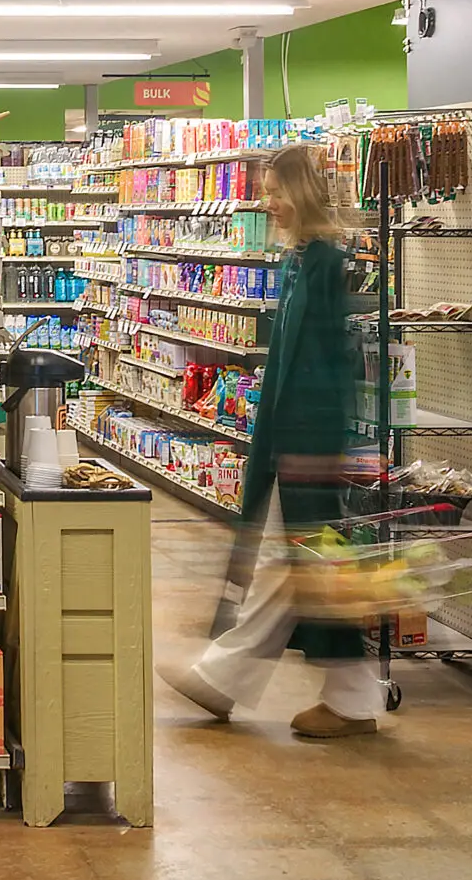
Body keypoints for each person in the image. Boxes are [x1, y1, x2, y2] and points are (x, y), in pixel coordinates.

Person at [161, 143, 385, 739]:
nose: (269, 203)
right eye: (266, 190)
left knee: (303, 563)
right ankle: (335, 693)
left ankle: (329, 693)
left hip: (307, 439)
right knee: (299, 564)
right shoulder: (301, 261)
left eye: (276, 190)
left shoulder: (322, 265)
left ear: (303, 192)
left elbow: (328, 366)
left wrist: (311, 444)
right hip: (293, 433)